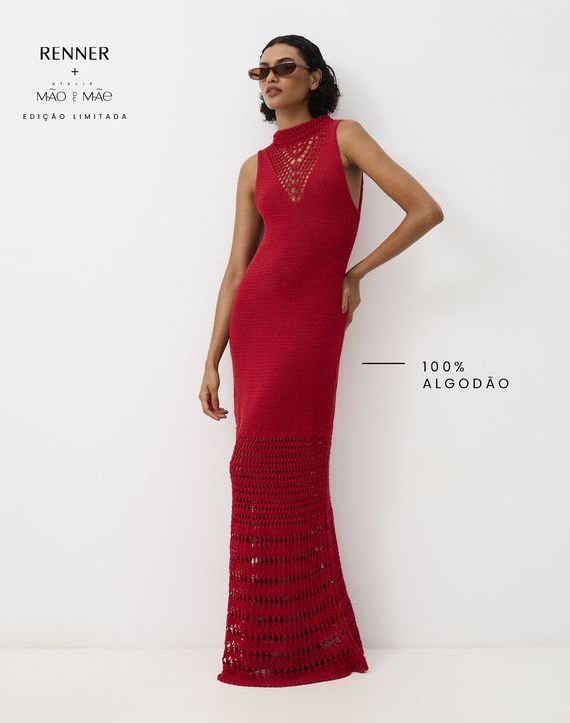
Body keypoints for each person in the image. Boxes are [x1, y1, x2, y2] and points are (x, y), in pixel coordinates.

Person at [200, 34, 444, 687]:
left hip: (310, 322)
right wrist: (212, 357)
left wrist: (355, 273)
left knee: (294, 473)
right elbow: (236, 270)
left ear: (314, 78)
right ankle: (269, 634)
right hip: (255, 321)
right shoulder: (252, 168)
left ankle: (311, 636)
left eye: (284, 67)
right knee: (251, 470)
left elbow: (425, 210)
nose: (270, 77)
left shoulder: (346, 138)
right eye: (261, 70)